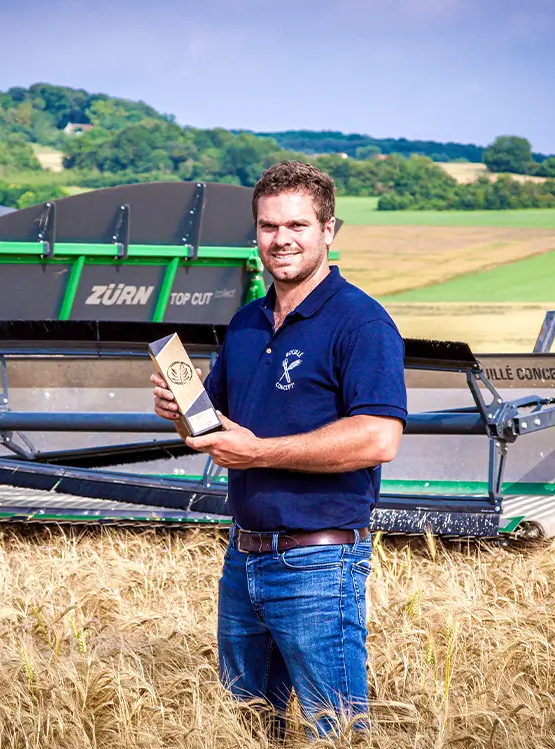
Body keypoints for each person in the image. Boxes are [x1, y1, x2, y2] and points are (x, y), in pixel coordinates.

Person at [150, 161, 407, 737]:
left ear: (328, 231)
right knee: (246, 729)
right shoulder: (246, 323)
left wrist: (260, 452)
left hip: (318, 561)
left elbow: (379, 437)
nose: (281, 239)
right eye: (269, 226)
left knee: (334, 731)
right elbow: (215, 430)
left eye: (297, 225)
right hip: (243, 560)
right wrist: (180, 414)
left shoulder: (360, 323)